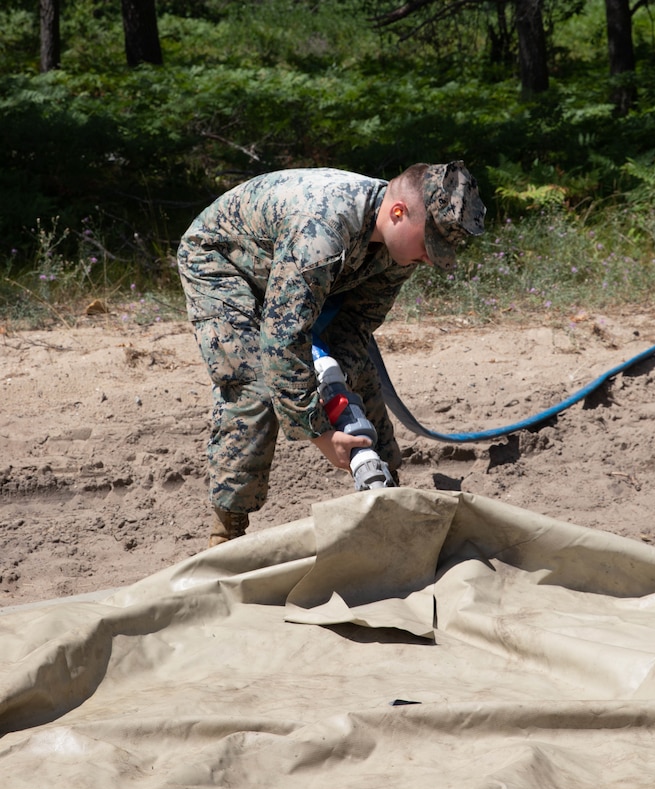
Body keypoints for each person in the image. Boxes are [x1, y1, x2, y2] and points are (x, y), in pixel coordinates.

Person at [177, 161, 486, 547]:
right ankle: (225, 535)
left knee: (353, 368)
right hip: (223, 262)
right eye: (429, 246)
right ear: (397, 213)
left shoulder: (399, 243)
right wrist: (321, 434)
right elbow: (283, 342)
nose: (429, 259)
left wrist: (342, 400)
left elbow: (354, 326)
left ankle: (386, 494)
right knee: (255, 384)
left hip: (289, 270)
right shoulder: (322, 231)